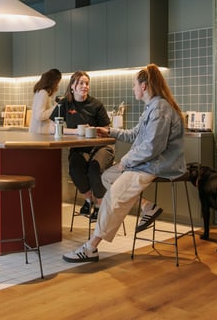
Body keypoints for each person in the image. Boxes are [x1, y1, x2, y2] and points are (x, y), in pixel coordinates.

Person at [63, 64, 186, 263]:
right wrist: (109, 131)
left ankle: (90, 248)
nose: (133, 89)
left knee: (113, 195)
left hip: (157, 165)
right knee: (106, 177)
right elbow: (135, 135)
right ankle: (147, 207)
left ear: (144, 86)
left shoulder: (160, 109)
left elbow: (152, 148)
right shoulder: (152, 108)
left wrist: (125, 162)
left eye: (134, 85)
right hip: (145, 163)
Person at [50, 71, 114, 220]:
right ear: (72, 86)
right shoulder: (65, 104)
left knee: (94, 169)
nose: (85, 86)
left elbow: (108, 129)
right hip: (80, 148)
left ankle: (99, 206)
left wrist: (94, 131)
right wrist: (74, 131)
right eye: (81, 83)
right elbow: (51, 127)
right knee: (75, 169)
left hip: (101, 147)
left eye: (87, 83)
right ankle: (88, 199)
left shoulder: (96, 105)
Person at [28, 68, 62, 134]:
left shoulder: (40, 92)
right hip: (39, 134)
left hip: (37, 133)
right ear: (53, 81)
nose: (57, 85)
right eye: (57, 82)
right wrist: (56, 107)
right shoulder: (43, 93)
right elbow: (39, 116)